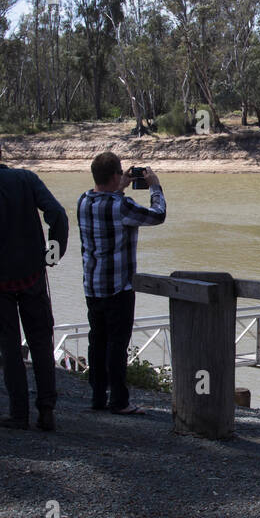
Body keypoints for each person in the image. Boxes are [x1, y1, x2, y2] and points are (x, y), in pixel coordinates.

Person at [0, 133, 68, 432]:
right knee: (41, 343)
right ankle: (47, 410)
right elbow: (56, 213)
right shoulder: (26, 180)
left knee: (9, 347)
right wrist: (53, 252)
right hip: (33, 275)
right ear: (0, 153)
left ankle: (18, 413)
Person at [77, 152, 166, 415]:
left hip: (92, 286)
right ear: (116, 175)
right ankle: (119, 400)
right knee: (117, 344)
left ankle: (97, 397)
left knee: (97, 341)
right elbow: (158, 215)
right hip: (118, 287)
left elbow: (106, 200)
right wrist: (156, 187)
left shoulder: (83, 201)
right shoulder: (121, 206)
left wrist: (120, 186)